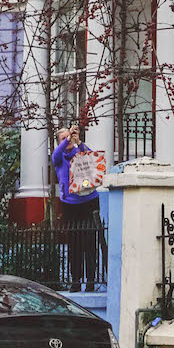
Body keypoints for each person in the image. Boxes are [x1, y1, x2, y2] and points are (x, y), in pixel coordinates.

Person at [51, 123, 103, 292]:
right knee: (74, 244)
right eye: (64, 137)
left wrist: (78, 141)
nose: (69, 139)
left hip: (89, 200)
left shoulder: (79, 151)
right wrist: (66, 140)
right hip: (70, 204)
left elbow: (90, 156)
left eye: (70, 136)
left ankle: (90, 280)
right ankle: (75, 280)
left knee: (90, 242)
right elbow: (56, 154)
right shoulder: (59, 157)